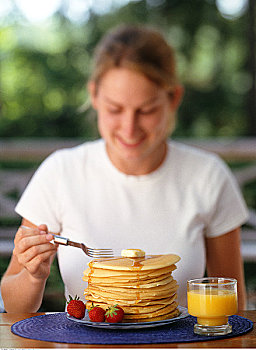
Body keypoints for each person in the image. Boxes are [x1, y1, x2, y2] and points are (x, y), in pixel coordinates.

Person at [0, 25, 248, 312]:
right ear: (94, 95)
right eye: (115, 109)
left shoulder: (208, 177)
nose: (129, 129)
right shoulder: (60, 173)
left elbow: (233, 304)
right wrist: (33, 276)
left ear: (173, 99)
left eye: (146, 110)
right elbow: (13, 305)